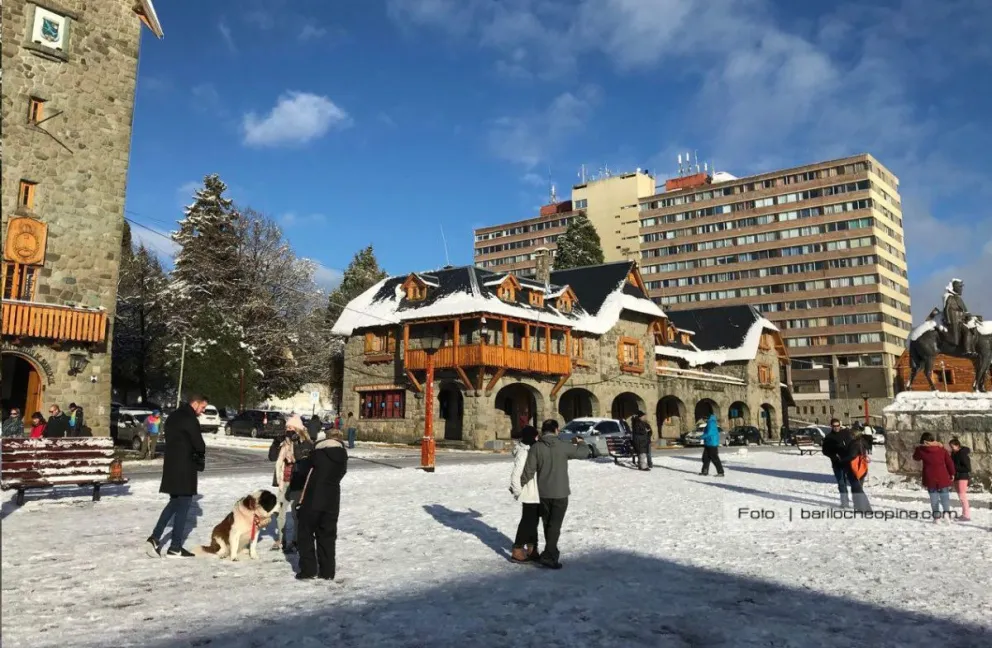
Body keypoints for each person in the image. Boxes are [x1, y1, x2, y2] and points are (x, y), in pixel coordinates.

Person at [520, 419, 591, 570]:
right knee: (555, 524)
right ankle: (549, 555)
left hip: (543, 492)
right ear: (557, 430)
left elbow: (528, 471)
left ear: (543, 431)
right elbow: (584, 453)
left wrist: (520, 486)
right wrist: (580, 442)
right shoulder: (563, 446)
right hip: (560, 492)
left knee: (547, 523)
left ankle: (550, 552)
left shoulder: (536, 448)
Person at [146, 395, 208, 558]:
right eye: (203, 408)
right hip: (185, 468)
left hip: (171, 467)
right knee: (183, 506)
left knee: (174, 503)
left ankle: (155, 538)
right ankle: (175, 547)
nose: (202, 412)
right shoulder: (189, 418)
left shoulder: (173, 416)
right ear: (195, 404)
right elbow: (199, 443)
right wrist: (200, 459)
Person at [296, 430, 348, 580]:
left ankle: (308, 570)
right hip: (332, 500)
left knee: (305, 534)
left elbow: (303, 472)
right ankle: (327, 572)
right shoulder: (342, 456)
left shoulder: (316, 454)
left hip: (313, 498)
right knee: (327, 536)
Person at [270, 415, 315, 553]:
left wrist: (296, 443)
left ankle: (296, 540)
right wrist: (276, 443)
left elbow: (301, 459)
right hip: (284, 481)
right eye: (287, 428)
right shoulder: (284, 443)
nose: (288, 430)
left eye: (291, 428)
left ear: (298, 429)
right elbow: (272, 457)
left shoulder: (306, 442)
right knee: (280, 512)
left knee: (296, 513)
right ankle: (282, 539)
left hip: (297, 481)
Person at [509, 425, 541, 563]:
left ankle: (532, 548)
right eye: (536, 436)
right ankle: (517, 548)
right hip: (528, 493)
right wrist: (518, 492)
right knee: (527, 522)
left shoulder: (531, 449)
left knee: (533, 521)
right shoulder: (523, 452)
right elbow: (515, 475)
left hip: (535, 492)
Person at [913, 433, 955, 523]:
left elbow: (915, 458)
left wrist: (918, 448)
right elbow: (949, 462)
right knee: (945, 496)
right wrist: (952, 473)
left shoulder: (921, 450)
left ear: (923, 441)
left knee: (933, 498)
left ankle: (936, 518)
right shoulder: (941, 449)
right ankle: (946, 515)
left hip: (930, 477)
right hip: (942, 476)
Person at [821, 419, 852, 508]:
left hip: (848, 462)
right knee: (842, 483)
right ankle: (845, 502)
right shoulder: (828, 437)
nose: (836, 427)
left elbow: (852, 444)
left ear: (840, 425)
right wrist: (834, 456)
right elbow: (825, 451)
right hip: (837, 464)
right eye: (834, 426)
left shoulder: (845, 433)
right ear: (831, 426)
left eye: (838, 425)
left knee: (854, 483)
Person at [943, 279, 975, 356]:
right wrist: (948, 320)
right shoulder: (950, 297)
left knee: (969, 331)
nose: (961, 289)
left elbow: (965, 310)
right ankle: (965, 350)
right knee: (958, 337)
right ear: (954, 287)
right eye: (959, 287)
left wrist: (968, 315)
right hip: (954, 320)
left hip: (961, 320)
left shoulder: (958, 298)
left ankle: (968, 350)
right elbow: (946, 309)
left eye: (961, 287)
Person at [949, 437, 972, 522]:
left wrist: (954, 467)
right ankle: (964, 514)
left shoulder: (962, 454)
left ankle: (966, 515)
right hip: (957, 477)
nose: (951, 448)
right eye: (950, 447)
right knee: (961, 496)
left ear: (957, 446)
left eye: (952, 446)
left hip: (962, 477)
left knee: (963, 496)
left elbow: (967, 468)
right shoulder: (954, 454)